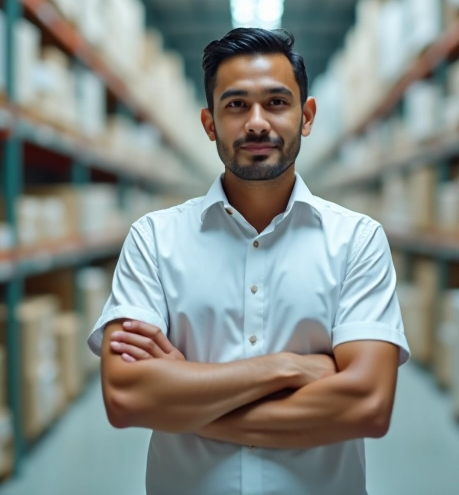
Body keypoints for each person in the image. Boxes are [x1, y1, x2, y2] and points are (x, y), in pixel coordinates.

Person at [86, 28, 409, 495]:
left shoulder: (357, 242)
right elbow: (126, 397)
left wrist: (187, 399)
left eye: (277, 103)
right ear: (209, 123)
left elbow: (368, 406)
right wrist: (289, 368)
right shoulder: (154, 240)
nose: (257, 123)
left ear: (307, 116)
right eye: (236, 105)